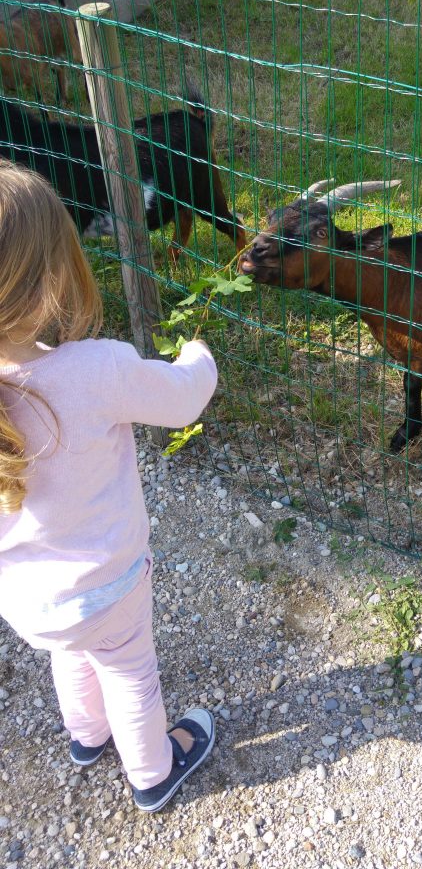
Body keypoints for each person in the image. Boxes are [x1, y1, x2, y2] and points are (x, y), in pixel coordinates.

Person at [0, 159, 218, 813]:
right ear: (51, 278)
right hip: (110, 585)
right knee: (129, 670)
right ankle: (154, 771)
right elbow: (183, 401)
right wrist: (198, 355)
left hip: (27, 602)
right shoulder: (96, 370)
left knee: (71, 652)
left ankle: (85, 737)